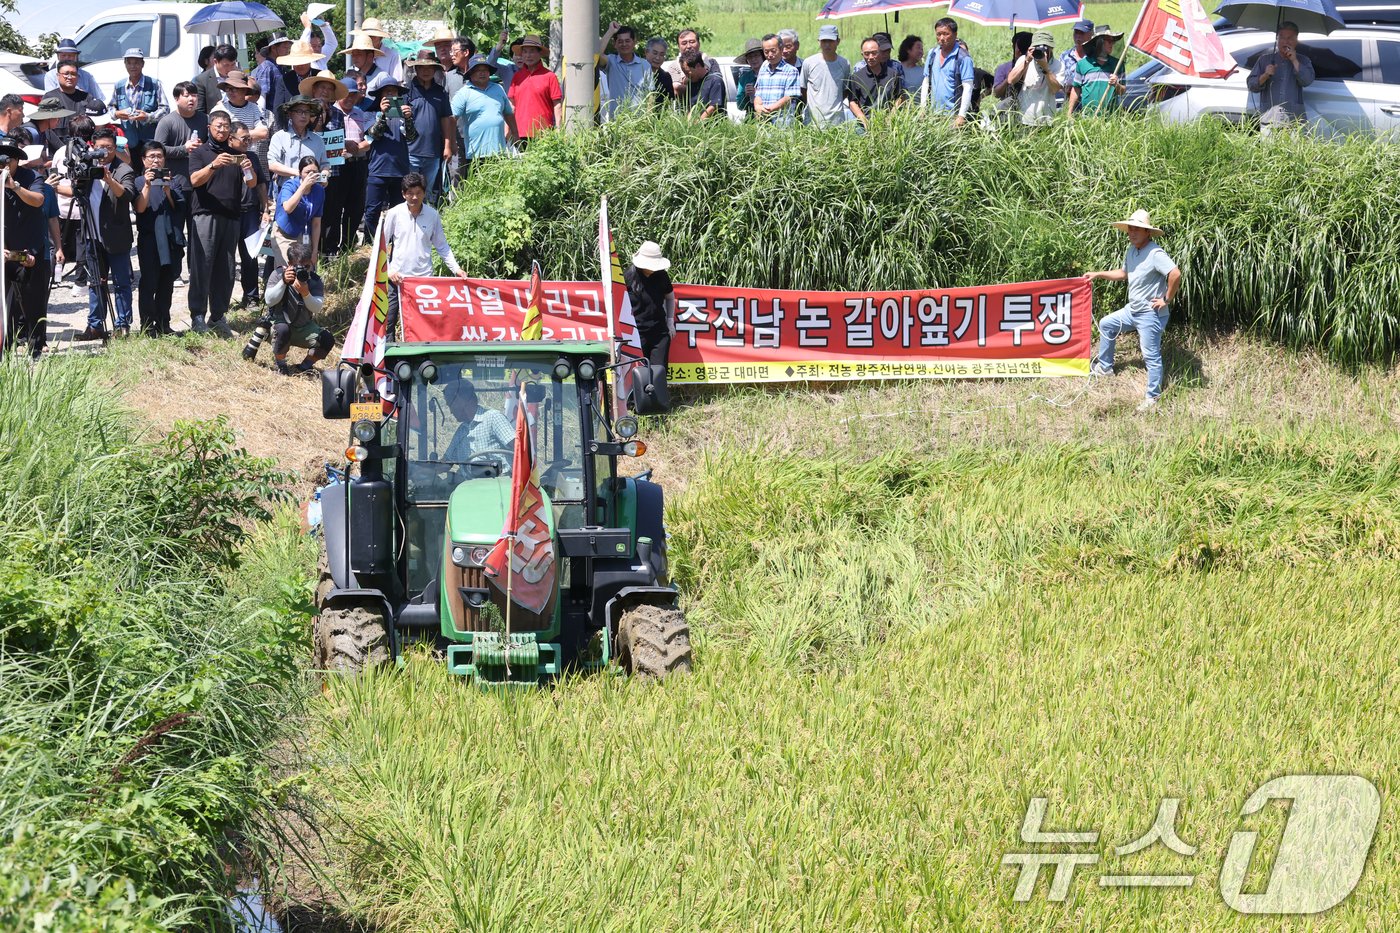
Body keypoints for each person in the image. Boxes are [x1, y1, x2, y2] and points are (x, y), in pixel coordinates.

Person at [1085, 209, 1181, 411]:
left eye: (1138, 229)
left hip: (1150, 314)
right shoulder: (1132, 251)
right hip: (1132, 310)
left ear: (1147, 232)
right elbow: (1123, 273)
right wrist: (1098, 274)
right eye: (1130, 228)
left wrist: (1166, 299)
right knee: (1106, 324)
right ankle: (1105, 367)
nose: (1132, 232)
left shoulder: (1155, 253)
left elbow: (1175, 273)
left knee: (1150, 354)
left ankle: (1152, 397)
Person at [56, 126, 134, 340]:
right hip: (91, 234)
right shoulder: (88, 166)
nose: (104, 152)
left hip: (116, 237)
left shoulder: (122, 169)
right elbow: (76, 192)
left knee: (121, 283)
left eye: (108, 148)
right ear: (92, 147)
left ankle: (122, 326)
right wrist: (52, 187)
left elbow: (126, 195)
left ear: (114, 147)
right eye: (100, 148)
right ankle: (95, 326)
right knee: (95, 283)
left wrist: (108, 179)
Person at [188, 111, 256, 337]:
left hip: (232, 216)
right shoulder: (200, 152)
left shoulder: (236, 153)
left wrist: (247, 166)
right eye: (218, 126)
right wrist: (214, 165)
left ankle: (218, 316)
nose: (222, 130)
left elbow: (252, 182)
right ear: (209, 127)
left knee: (226, 270)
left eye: (226, 126)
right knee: (202, 266)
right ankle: (197, 316)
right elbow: (194, 180)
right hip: (205, 215)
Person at [382, 172, 465, 337]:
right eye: (410, 193)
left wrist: (456, 269)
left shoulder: (432, 215)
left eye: (418, 193)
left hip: (424, 280)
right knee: (389, 321)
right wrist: (389, 271)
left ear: (424, 193)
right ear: (403, 194)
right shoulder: (394, 214)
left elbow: (442, 246)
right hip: (396, 278)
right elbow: (382, 246)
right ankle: (389, 359)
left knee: (425, 323)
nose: (414, 197)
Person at [132, 143, 186, 335]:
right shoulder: (138, 181)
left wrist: (167, 190)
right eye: (151, 156)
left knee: (167, 283)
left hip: (170, 239)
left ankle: (164, 323)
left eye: (160, 156)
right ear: (143, 160)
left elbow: (179, 208)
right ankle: (147, 326)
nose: (156, 160)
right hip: (149, 239)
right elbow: (139, 208)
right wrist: (147, 185)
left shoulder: (175, 180)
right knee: (148, 282)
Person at [1, 140, 48, 358]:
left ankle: (35, 349)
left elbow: (38, 200)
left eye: (7, 159)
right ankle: (5, 349)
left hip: (30, 252)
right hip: (5, 252)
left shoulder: (31, 177)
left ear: (17, 161)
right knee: (5, 306)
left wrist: (14, 186)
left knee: (33, 304)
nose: (2, 163)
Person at [264, 241, 333, 375]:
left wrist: (306, 293)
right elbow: (269, 300)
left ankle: (304, 366)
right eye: (297, 267)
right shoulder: (278, 274)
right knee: (283, 329)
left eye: (306, 266)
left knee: (327, 339)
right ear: (289, 264)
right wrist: (283, 282)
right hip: (279, 325)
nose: (303, 270)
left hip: (304, 328)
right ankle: (281, 365)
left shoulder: (314, 280)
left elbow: (317, 308)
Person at [363, 73, 417, 235]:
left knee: (399, 212)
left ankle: (395, 242)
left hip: (400, 170)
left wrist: (408, 119)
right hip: (377, 169)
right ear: (380, 96)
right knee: (372, 211)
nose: (390, 95)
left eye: (393, 92)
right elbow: (373, 134)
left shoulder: (403, 116)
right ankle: (369, 244)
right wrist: (383, 115)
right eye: (386, 92)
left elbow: (412, 137)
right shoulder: (370, 113)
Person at [323, 77, 370, 255]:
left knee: (356, 206)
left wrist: (361, 145)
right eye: (347, 95)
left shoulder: (360, 113)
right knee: (335, 207)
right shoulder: (330, 112)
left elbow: (369, 137)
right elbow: (326, 137)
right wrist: (344, 143)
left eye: (354, 95)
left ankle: (348, 246)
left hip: (359, 163)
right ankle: (331, 248)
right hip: (338, 166)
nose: (350, 99)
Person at [403, 52, 455, 204]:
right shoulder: (406, 91)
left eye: (430, 68)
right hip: (410, 151)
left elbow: (446, 119)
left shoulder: (441, 92)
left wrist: (448, 146)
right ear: (416, 69)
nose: (426, 71)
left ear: (435, 70)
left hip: (433, 152)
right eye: (422, 67)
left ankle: (426, 225)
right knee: (410, 191)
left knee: (427, 192)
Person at [452, 55, 518, 173]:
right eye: (478, 70)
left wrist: (516, 134)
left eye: (485, 70)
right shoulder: (463, 93)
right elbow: (452, 119)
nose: (482, 73)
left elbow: (508, 113)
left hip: (499, 152)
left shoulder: (498, 88)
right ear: (471, 73)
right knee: (479, 188)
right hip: (476, 154)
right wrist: (450, 142)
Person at [227, 122, 268, 307]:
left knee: (250, 257)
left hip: (250, 212)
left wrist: (265, 208)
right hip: (229, 214)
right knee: (226, 259)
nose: (247, 142)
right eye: (244, 139)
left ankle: (251, 297)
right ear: (231, 139)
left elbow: (260, 184)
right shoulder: (224, 157)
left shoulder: (252, 156)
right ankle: (222, 301)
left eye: (249, 139)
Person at [1246, 22, 1314, 133]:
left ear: (1296, 40)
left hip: (1294, 122)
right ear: (1277, 40)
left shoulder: (1303, 60)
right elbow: (1251, 85)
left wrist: (1294, 61)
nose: (1285, 41)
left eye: (1290, 38)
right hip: (1269, 120)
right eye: (1282, 37)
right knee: (1267, 150)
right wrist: (1265, 75)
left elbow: (1307, 81)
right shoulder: (1264, 60)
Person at [624, 241, 675, 371]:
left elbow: (670, 297)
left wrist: (670, 321)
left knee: (659, 372)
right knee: (638, 373)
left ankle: (658, 392)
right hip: (636, 334)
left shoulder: (662, 275)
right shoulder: (628, 276)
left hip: (659, 332)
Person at [995, 31, 1060, 127]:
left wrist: (1046, 69)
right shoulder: (1023, 60)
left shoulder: (1058, 65)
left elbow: (1055, 89)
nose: (1042, 52)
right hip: (1024, 118)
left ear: (1051, 48)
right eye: (1037, 47)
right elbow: (1010, 80)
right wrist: (1027, 61)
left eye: (1045, 48)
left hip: (1047, 119)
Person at [507, 35, 562, 149]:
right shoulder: (517, 77)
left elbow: (557, 105)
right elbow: (511, 106)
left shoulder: (550, 76)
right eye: (525, 52)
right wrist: (507, 132)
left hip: (543, 134)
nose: (528, 55)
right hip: (519, 133)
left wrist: (558, 129)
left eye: (532, 51)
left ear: (540, 53)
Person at [441, 380, 515, 462]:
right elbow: (446, 462)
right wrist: (428, 468)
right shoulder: (461, 431)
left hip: (500, 475)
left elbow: (518, 448)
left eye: (450, 405)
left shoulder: (493, 418)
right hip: (467, 475)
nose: (451, 411)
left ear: (460, 401)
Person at [107, 49, 168, 148]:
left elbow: (165, 109)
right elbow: (110, 107)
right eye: (129, 63)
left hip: (149, 140)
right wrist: (116, 113)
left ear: (142, 64)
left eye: (136, 63)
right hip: (127, 141)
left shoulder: (154, 84)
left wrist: (148, 117)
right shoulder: (119, 85)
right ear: (125, 64)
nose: (132, 66)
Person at [273, 155, 324, 267]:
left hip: (304, 234)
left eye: (315, 172)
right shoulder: (290, 186)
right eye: (307, 172)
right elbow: (288, 208)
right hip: (285, 234)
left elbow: (316, 223)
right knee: (288, 271)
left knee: (306, 271)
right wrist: (303, 187)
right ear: (300, 173)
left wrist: (315, 250)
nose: (311, 175)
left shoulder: (319, 190)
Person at [1067, 25, 1125, 118]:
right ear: (1099, 42)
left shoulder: (1117, 65)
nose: (1112, 44)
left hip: (1111, 119)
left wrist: (1116, 84)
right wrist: (1069, 113)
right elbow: (1076, 89)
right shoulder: (1083, 64)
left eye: (1113, 41)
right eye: (1109, 41)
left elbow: (1122, 91)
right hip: (1087, 118)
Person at [802, 24, 853, 128]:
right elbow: (803, 89)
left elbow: (845, 90)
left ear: (838, 41)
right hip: (813, 120)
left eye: (830, 41)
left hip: (837, 120)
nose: (827, 45)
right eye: (824, 41)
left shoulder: (844, 63)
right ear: (819, 42)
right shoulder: (809, 62)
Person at [924, 18, 974, 126]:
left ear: (955, 35)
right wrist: (923, 108)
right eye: (938, 34)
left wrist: (961, 116)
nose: (941, 38)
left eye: (946, 34)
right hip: (932, 115)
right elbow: (926, 81)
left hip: (953, 116)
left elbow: (968, 87)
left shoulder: (963, 58)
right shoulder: (932, 54)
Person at [598, 23, 653, 119]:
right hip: (617, 121)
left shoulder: (645, 65)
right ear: (615, 44)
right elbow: (597, 54)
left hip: (640, 121)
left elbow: (650, 95)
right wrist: (610, 31)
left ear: (634, 42)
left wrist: (648, 118)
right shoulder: (611, 62)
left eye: (627, 41)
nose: (624, 44)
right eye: (620, 41)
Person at [268, 94, 327, 180]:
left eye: (307, 112)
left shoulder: (318, 140)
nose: (303, 115)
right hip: (287, 189)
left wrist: (323, 178)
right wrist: (299, 173)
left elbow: (325, 165)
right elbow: (272, 164)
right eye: (299, 111)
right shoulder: (279, 137)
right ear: (290, 114)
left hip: (313, 189)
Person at [849, 37, 904, 125]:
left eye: (874, 53)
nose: (870, 57)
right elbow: (852, 102)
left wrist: (891, 116)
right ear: (862, 54)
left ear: (880, 52)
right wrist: (863, 119)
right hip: (865, 125)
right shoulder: (856, 77)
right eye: (866, 54)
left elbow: (900, 96)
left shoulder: (892, 74)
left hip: (889, 124)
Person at [753, 34, 801, 126]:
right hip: (763, 124)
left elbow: (789, 98)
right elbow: (758, 92)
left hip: (782, 124)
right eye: (766, 52)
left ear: (781, 49)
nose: (770, 55)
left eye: (773, 51)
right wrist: (757, 106)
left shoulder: (791, 71)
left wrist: (768, 110)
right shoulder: (763, 68)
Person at [41, 62, 105, 131]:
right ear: (58, 75)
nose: (69, 77)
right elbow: (45, 127)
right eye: (66, 74)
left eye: (73, 74)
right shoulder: (49, 98)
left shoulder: (87, 97)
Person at [253, 33, 294, 120]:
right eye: (285, 47)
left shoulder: (280, 67)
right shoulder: (267, 67)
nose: (287, 51)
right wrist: (262, 119)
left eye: (288, 48)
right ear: (274, 48)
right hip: (271, 116)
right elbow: (262, 95)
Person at [677, 51, 726, 121]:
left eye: (687, 72)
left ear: (698, 66)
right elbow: (690, 108)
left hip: (713, 128)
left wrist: (697, 124)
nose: (686, 76)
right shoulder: (691, 83)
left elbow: (713, 107)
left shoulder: (715, 80)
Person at [195, 45, 239, 113]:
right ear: (215, 62)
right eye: (226, 65)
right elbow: (200, 112)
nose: (230, 69)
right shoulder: (202, 80)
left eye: (233, 64)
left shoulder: (239, 76)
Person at [1057, 19, 1095, 99]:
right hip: (1068, 100)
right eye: (1076, 32)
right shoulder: (1065, 56)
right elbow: (1059, 80)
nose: (1078, 36)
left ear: (1091, 34)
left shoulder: (1095, 57)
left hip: (1089, 101)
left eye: (1082, 33)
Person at [735, 39, 764, 118]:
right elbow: (740, 106)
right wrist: (745, 95)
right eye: (750, 57)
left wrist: (757, 93)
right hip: (751, 119)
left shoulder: (770, 74)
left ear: (763, 56)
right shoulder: (744, 78)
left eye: (756, 56)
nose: (753, 59)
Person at [644, 37, 675, 107]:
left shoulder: (666, 77)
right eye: (655, 53)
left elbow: (669, 102)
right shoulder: (636, 72)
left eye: (661, 55)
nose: (658, 58)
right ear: (646, 52)